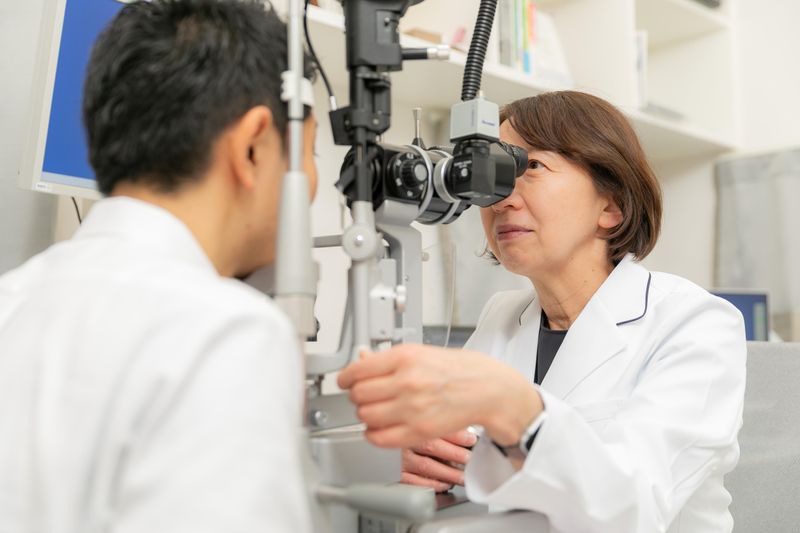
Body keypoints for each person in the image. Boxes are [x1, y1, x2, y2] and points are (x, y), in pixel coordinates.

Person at [338, 91, 746, 532]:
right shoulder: (502, 315)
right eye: (496, 174)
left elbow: (636, 511)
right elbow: (465, 457)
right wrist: (417, 454)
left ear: (612, 205)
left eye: (530, 167)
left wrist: (518, 409)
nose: (501, 200)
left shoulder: (695, 324)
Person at [0, 1, 317, 532]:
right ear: (253, 148)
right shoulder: (228, 332)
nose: (311, 184)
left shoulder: (13, 299)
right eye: (309, 154)